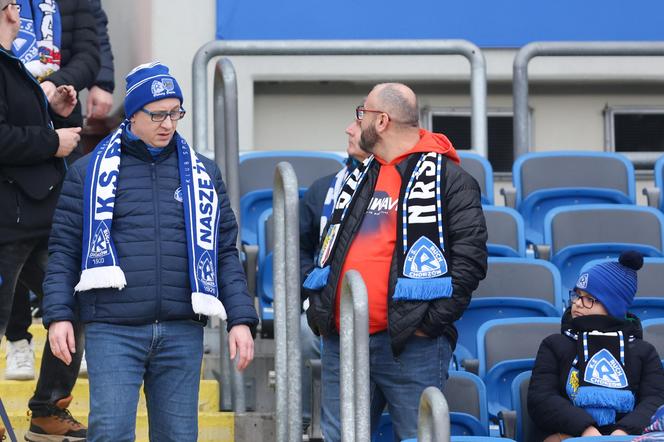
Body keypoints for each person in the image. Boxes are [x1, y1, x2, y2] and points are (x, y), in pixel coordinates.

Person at [41, 61, 258, 442]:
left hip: (181, 328)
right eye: (157, 114)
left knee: (177, 436)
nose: (168, 124)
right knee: (109, 433)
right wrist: (59, 314)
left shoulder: (203, 174)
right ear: (133, 115)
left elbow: (225, 251)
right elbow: (63, 250)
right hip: (113, 328)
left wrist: (241, 318)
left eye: (176, 113)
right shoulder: (87, 172)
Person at [303, 83, 488, 441]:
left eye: (363, 114)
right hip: (345, 341)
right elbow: (334, 248)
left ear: (382, 121)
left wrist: (427, 324)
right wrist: (321, 312)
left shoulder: (450, 180)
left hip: (411, 346)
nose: (354, 124)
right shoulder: (360, 177)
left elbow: (470, 261)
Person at [0, 0, 80, 352]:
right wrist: (53, 142)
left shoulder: (14, 66)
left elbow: (19, 126)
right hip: (7, 221)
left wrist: (55, 113)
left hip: (37, 214)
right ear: (12, 13)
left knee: (73, 306)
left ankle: (49, 404)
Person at [528, 251, 664, 440]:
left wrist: (622, 432)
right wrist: (587, 429)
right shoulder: (554, 344)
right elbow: (541, 399)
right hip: (569, 435)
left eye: (590, 299)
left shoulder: (643, 352)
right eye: (577, 295)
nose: (577, 304)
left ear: (613, 306)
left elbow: (654, 401)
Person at [298, 110, 369, 428]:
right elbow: (298, 248)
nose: (348, 129)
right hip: (329, 304)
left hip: (379, 308)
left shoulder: (397, 187)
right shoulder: (322, 189)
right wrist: (310, 290)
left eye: (357, 124)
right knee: (304, 330)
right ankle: (301, 423)